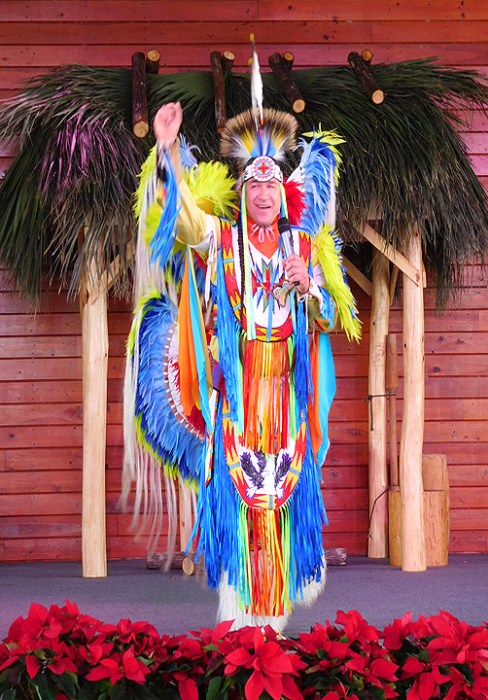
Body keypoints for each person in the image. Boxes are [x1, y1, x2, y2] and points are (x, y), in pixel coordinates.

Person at [122, 99, 360, 632]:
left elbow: (330, 317)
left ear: (283, 191)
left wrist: (309, 287)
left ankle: (273, 621)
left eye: (271, 184)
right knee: (240, 502)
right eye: (254, 184)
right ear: (244, 191)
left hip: (287, 399)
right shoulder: (222, 239)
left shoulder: (304, 246)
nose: (263, 193)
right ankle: (239, 622)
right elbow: (185, 222)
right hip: (238, 393)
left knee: (281, 501)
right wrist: (166, 149)